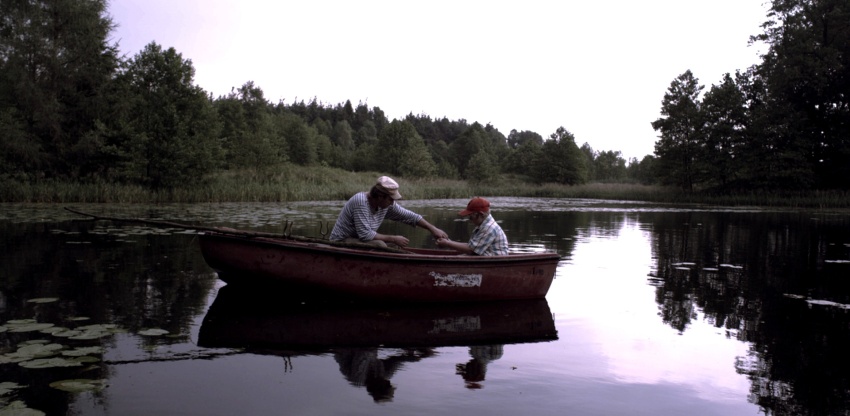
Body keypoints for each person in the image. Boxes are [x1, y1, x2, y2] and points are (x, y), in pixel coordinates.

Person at [329, 176, 448, 248]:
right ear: (380, 196)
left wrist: (432, 228)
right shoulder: (361, 202)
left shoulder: (385, 205)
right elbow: (365, 235)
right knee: (380, 245)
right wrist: (393, 238)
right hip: (341, 241)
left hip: (359, 241)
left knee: (395, 246)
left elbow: (409, 216)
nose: (392, 203)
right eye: (391, 199)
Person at [436, 197, 509, 256]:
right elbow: (471, 246)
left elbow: (471, 250)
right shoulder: (483, 226)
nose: (470, 219)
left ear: (481, 214)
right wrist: (449, 241)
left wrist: (447, 243)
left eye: (471, 216)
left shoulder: (489, 228)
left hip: (495, 262)